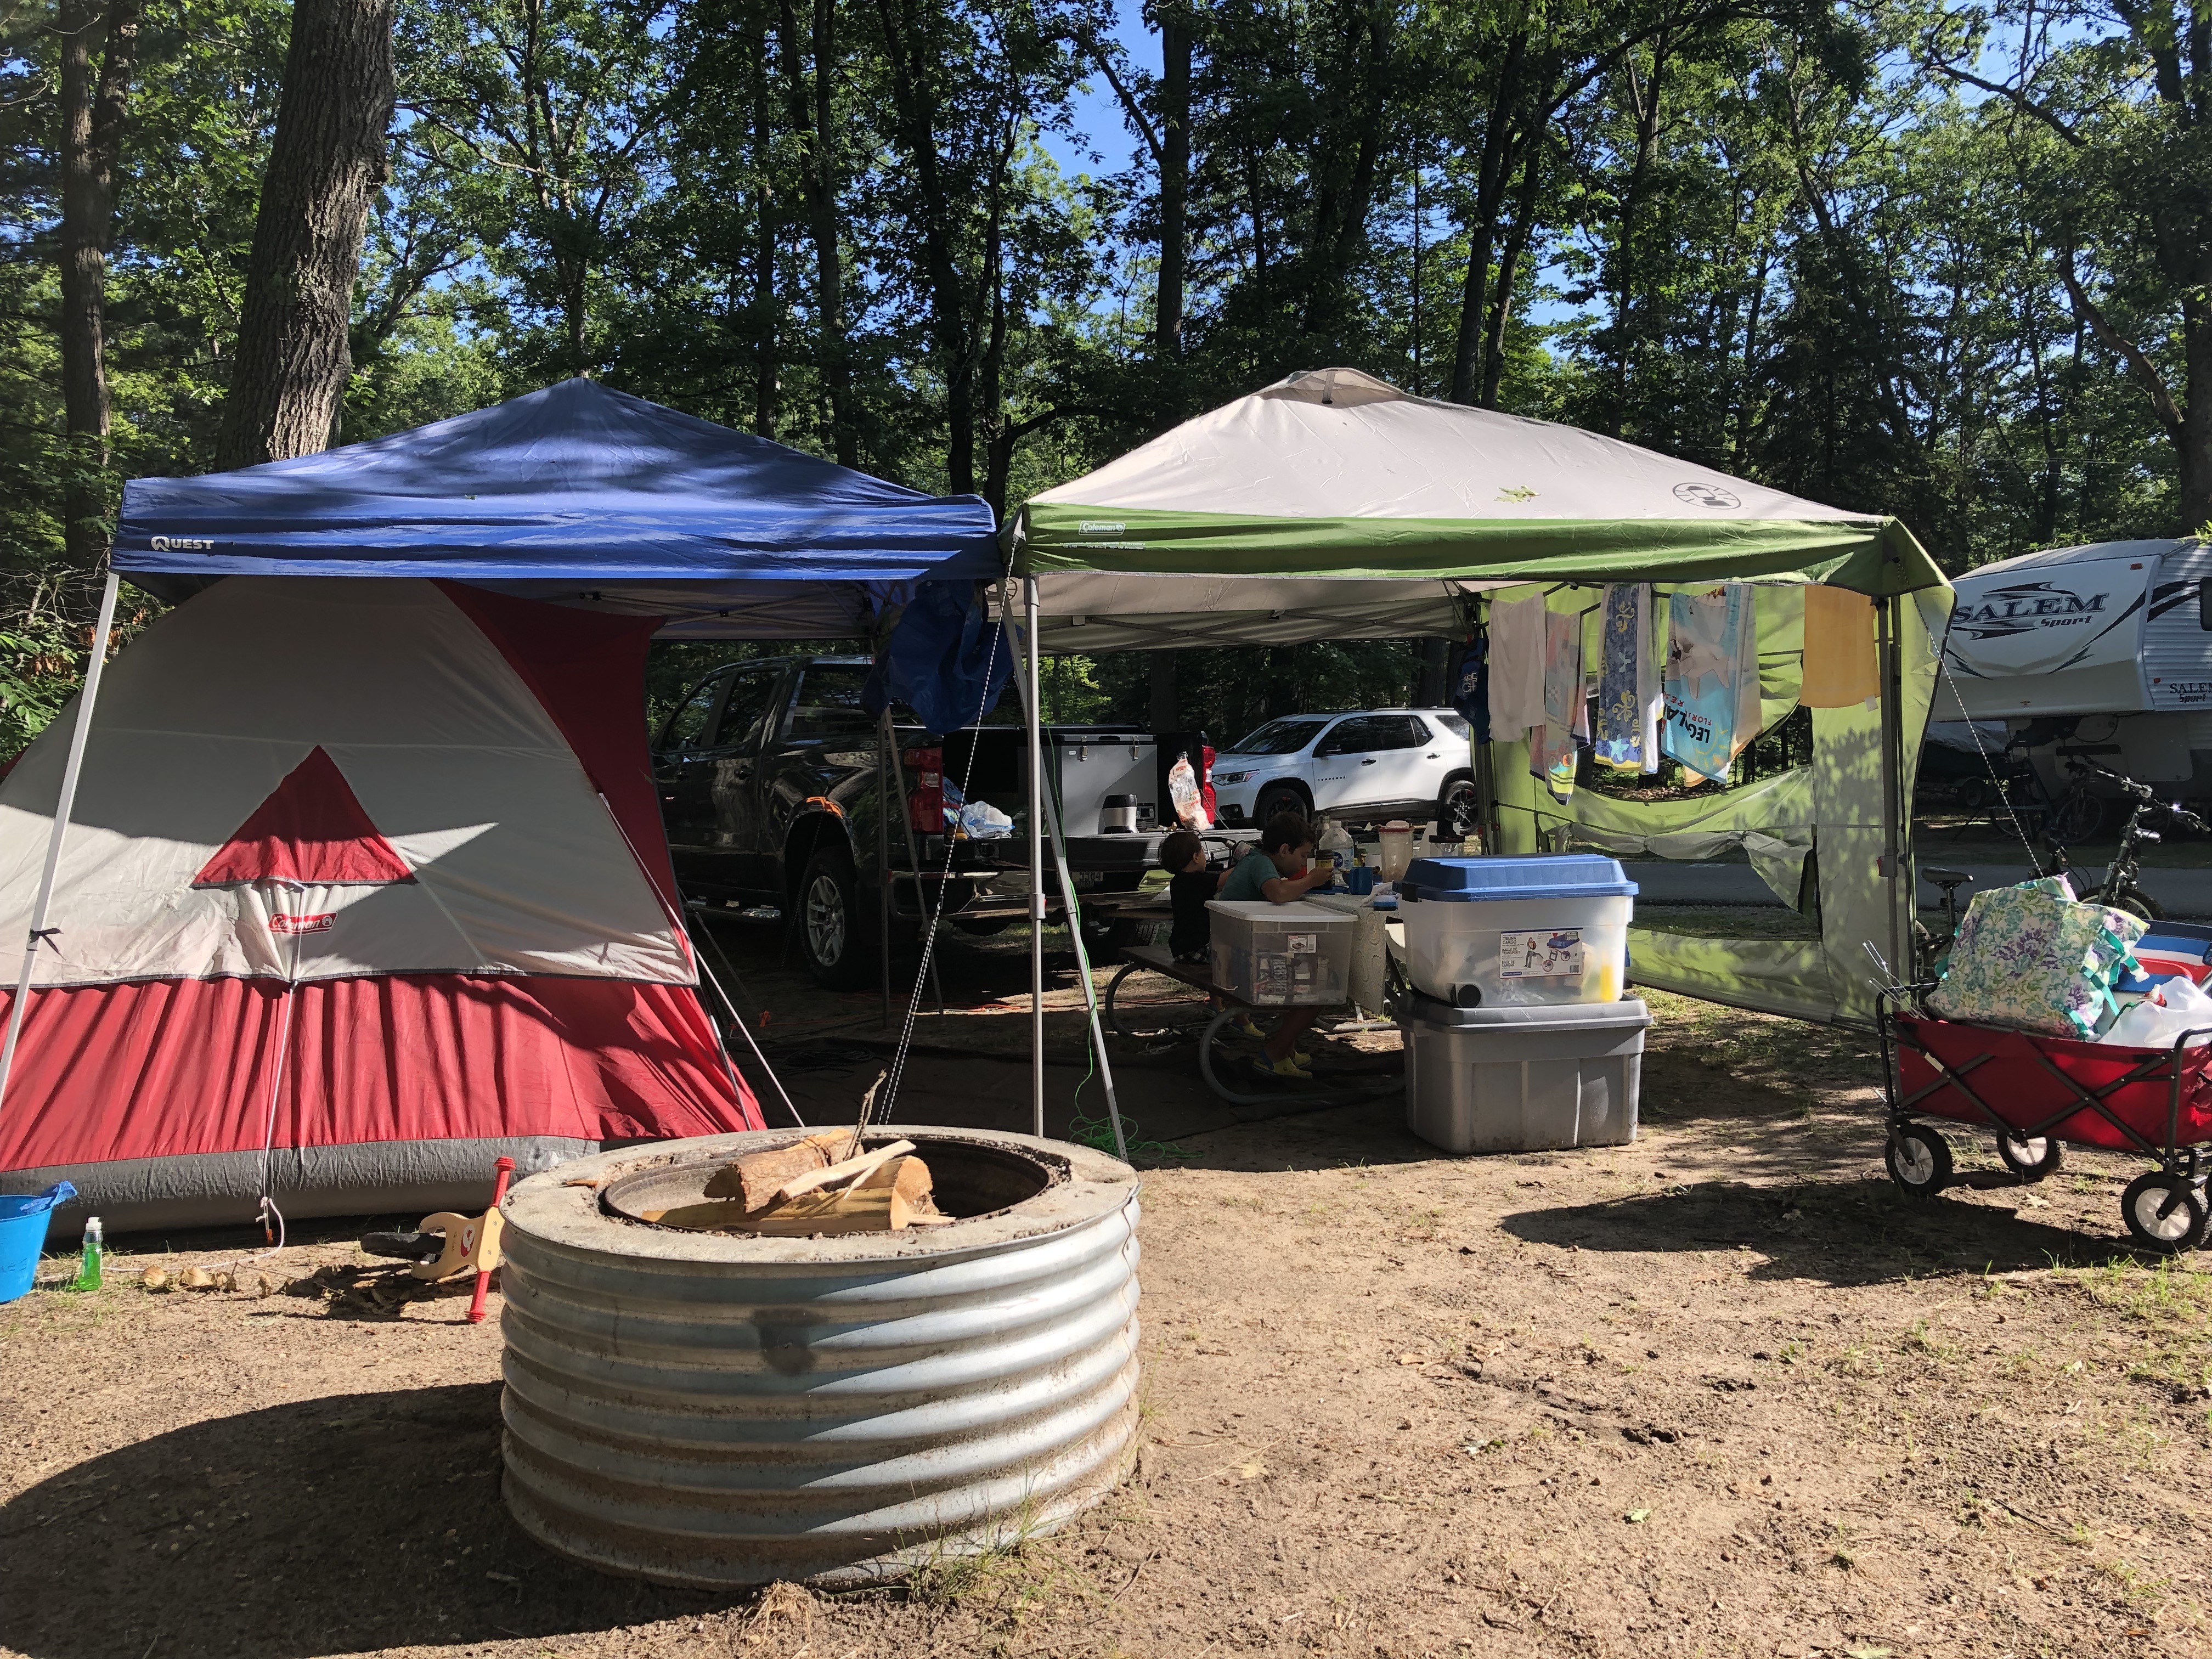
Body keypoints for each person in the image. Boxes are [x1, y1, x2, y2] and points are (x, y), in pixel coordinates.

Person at [1215, 811, 1333, 1079]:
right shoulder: (1261, 864)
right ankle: (1275, 1054)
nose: (1303, 862)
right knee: (1318, 987)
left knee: (1304, 968)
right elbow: (1278, 895)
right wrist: (1311, 880)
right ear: (1284, 850)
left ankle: (1286, 1048)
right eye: (1302, 855)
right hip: (1238, 965)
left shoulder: (1257, 861)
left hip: (1233, 956)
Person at [1161, 830, 1217, 964]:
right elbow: (1227, 878)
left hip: (1180, 949)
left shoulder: (1178, 881)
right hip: (1197, 949)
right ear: (1196, 857)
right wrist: (1248, 862)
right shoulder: (1198, 880)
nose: (1205, 856)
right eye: (1203, 852)